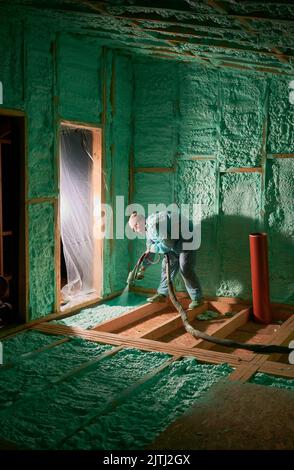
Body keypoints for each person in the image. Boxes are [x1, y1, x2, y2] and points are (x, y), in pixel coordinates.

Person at [128, 210, 203, 309]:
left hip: (186, 239)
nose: (136, 231)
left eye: (134, 229)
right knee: (166, 266)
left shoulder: (154, 225)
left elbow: (168, 244)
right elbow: (150, 251)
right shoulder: (148, 229)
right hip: (174, 241)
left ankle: (198, 298)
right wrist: (141, 268)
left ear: (137, 224)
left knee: (185, 268)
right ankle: (162, 294)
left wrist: (153, 248)